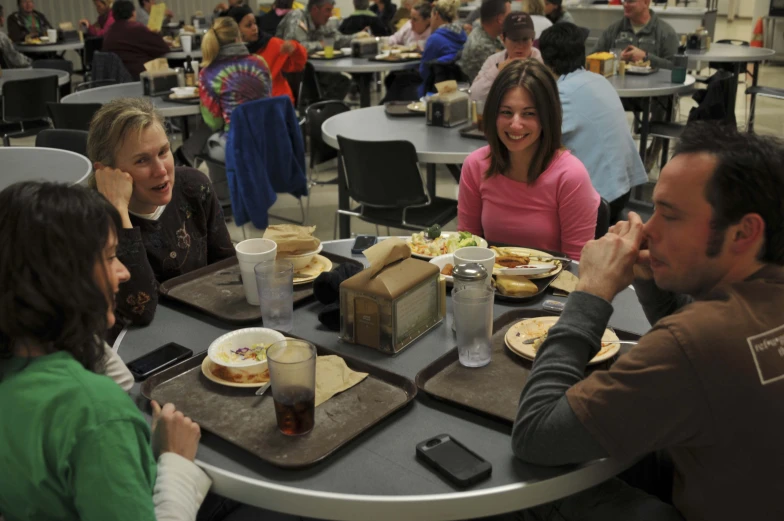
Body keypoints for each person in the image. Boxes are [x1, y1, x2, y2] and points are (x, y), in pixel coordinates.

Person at [511, 123, 784, 520]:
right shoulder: (748, 308)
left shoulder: (697, 342)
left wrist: (590, 292)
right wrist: (654, 278)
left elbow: (535, 435)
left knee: (531, 492)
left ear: (743, 232)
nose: (649, 229)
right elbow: (701, 373)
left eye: (669, 216)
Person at [0, 181, 211, 520]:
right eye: (110, 257)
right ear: (65, 277)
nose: (123, 272)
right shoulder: (95, 413)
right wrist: (175, 461)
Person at [88, 98, 235, 327]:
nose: (161, 170)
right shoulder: (95, 222)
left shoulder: (193, 187)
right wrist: (119, 212)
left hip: (206, 324)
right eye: (142, 160)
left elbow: (228, 267)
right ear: (106, 171)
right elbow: (141, 311)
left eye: (164, 152)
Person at [459, 59, 598, 260]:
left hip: (554, 288)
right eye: (506, 112)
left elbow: (576, 266)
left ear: (546, 118)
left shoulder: (570, 176)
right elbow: (467, 247)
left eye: (529, 114)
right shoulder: (476, 165)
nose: (515, 125)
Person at [539, 23, 645, 223]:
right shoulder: (598, 80)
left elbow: (535, 141)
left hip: (598, 203)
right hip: (621, 191)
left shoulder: (563, 94)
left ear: (545, 59)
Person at [199, 16, 272, 161]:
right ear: (238, 37)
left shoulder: (208, 73)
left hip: (238, 144)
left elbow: (214, 122)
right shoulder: (259, 62)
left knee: (210, 142)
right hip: (270, 138)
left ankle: (222, 184)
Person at [277, 0, 356, 100]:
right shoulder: (297, 17)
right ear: (315, 9)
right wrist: (321, 44)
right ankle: (319, 110)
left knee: (343, 81)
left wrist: (357, 38)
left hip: (311, 70)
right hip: (291, 73)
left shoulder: (321, 22)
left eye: (331, 11)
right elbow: (295, 48)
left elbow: (336, 39)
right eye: (327, 10)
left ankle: (323, 111)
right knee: (338, 81)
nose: (330, 15)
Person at [229, 5, 306, 105]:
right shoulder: (229, 53)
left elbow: (298, 66)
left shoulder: (272, 44)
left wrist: (295, 48)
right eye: (248, 25)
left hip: (277, 103)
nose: (255, 28)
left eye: (255, 23)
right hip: (246, 106)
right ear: (235, 31)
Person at [469, 12, 543, 102]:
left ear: (532, 40)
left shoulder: (542, 62)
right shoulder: (494, 61)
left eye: (525, 39)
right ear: (502, 38)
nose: (520, 45)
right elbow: (474, 96)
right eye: (514, 39)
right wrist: (498, 70)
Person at [592, 0, 678, 70]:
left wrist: (646, 57)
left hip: (653, 90)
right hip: (618, 90)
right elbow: (591, 60)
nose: (625, 4)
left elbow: (675, 67)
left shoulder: (666, 33)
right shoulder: (613, 30)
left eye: (631, 1)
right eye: (624, 0)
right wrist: (616, 57)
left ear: (646, 2)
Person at [102, 0, 170, 80]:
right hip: (140, 77)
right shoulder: (136, 28)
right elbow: (163, 48)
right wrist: (156, 34)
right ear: (133, 13)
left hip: (116, 79)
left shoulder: (109, 32)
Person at [418, 0, 465, 97]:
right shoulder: (463, 35)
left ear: (436, 15)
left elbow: (423, 72)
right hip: (458, 88)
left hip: (434, 90)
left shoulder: (434, 39)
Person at [457, 0, 509, 82]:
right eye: (509, 16)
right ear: (500, 19)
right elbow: (504, 78)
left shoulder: (486, 32)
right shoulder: (481, 46)